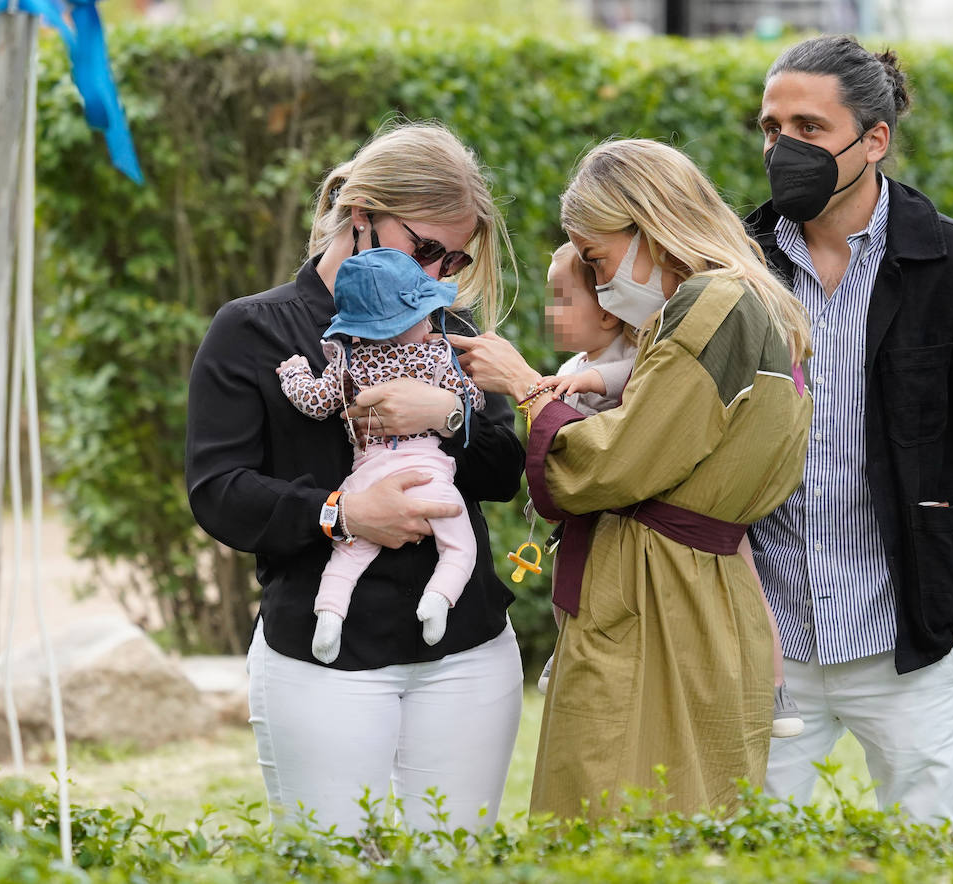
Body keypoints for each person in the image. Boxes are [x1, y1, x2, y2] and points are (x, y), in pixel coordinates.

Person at [446, 138, 814, 820]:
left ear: (647, 226)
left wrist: (526, 389)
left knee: (615, 815)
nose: (600, 282)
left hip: (655, 597)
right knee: (692, 811)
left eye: (595, 258)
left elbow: (610, 463)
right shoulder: (756, 302)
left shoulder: (712, 304)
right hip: (697, 590)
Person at [185, 121, 525, 835]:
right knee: (334, 863)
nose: (437, 275)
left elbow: (502, 471)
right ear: (362, 214)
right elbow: (218, 491)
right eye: (426, 248)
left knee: (458, 863)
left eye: (454, 259)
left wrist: (451, 413)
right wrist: (340, 511)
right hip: (321, 652)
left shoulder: (447, 327)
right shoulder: (254, 331)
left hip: (466, 649)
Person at [744, 36, 953, 836]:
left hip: (907, 643)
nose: (783, 148)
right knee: (739, 855)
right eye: (772, 127)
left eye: (810, 128)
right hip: (765, 641)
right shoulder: (733, 268)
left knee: (931, 854)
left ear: (873, 139)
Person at [533, 243, 806, 739]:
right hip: (607, 506)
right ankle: (563, 645)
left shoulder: (636, 351)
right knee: (568, 582)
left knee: (743, 564)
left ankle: (776, 684)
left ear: (607, 312)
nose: (550, 312)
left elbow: (634, 382)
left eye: (563, 298)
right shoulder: (571, 366)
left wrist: (567, 387)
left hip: (680, 503)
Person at [276, 248, 485, 661]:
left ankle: (330, 617)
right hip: (428, 475)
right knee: (460, 545)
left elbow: (314, 403)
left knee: (349, 554)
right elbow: (473, 400)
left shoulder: (348, 362)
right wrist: (450, 405)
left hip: (368, 478)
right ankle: (438, 601)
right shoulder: (438, 355)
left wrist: (294, 372)